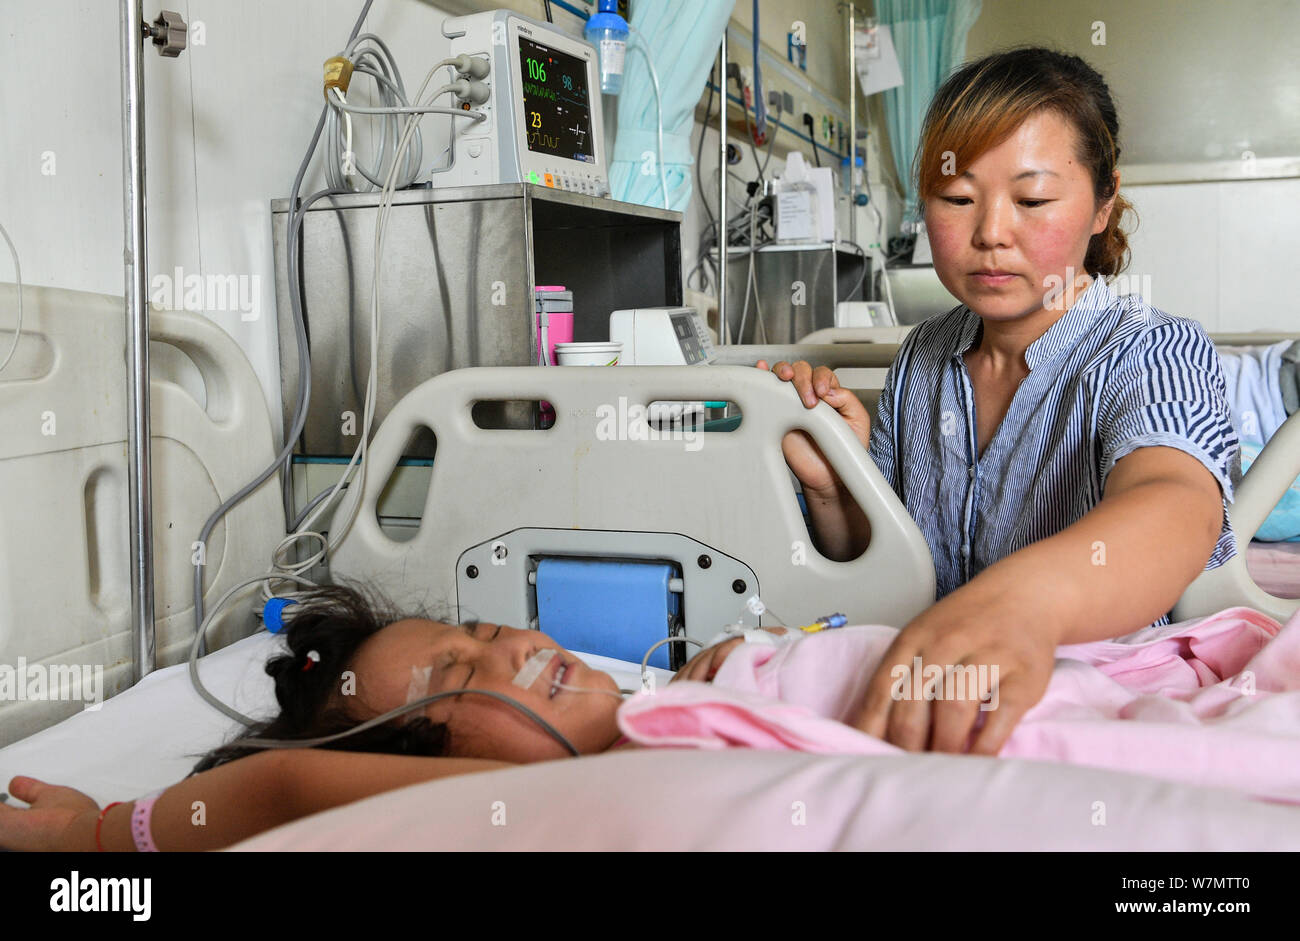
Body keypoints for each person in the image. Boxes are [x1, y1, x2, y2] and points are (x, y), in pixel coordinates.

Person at [761, 47, 1239, 756]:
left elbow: (1178, 504)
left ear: (1104, 203)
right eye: (957, 198)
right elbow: (878, 568)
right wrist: (837, 489)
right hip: (922, 694)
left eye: (1033, 199)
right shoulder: (922, 361)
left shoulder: (1151, 350)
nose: (989, 233)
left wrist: (1024, 604)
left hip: (1087, 704)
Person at [0, 585, 767, 851]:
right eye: (459, 677)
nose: (515, 653)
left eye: (490, 634)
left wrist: (762, 657)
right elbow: (285, 785)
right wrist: (89, 837)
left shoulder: (705, 690)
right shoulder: (562, 806)